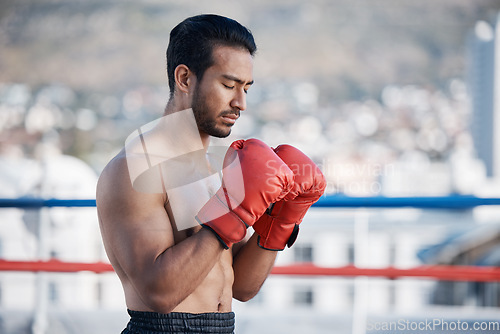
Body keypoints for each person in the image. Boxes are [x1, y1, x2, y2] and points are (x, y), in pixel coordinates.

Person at [96, 14, 326, 333]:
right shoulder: (134, 168)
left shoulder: (208, 168)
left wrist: (281, 219)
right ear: (185, 79)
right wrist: (234, 213)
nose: (240, 102)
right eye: (229, 85)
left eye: (246, 88)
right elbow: (158, 293)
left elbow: (242, 287)